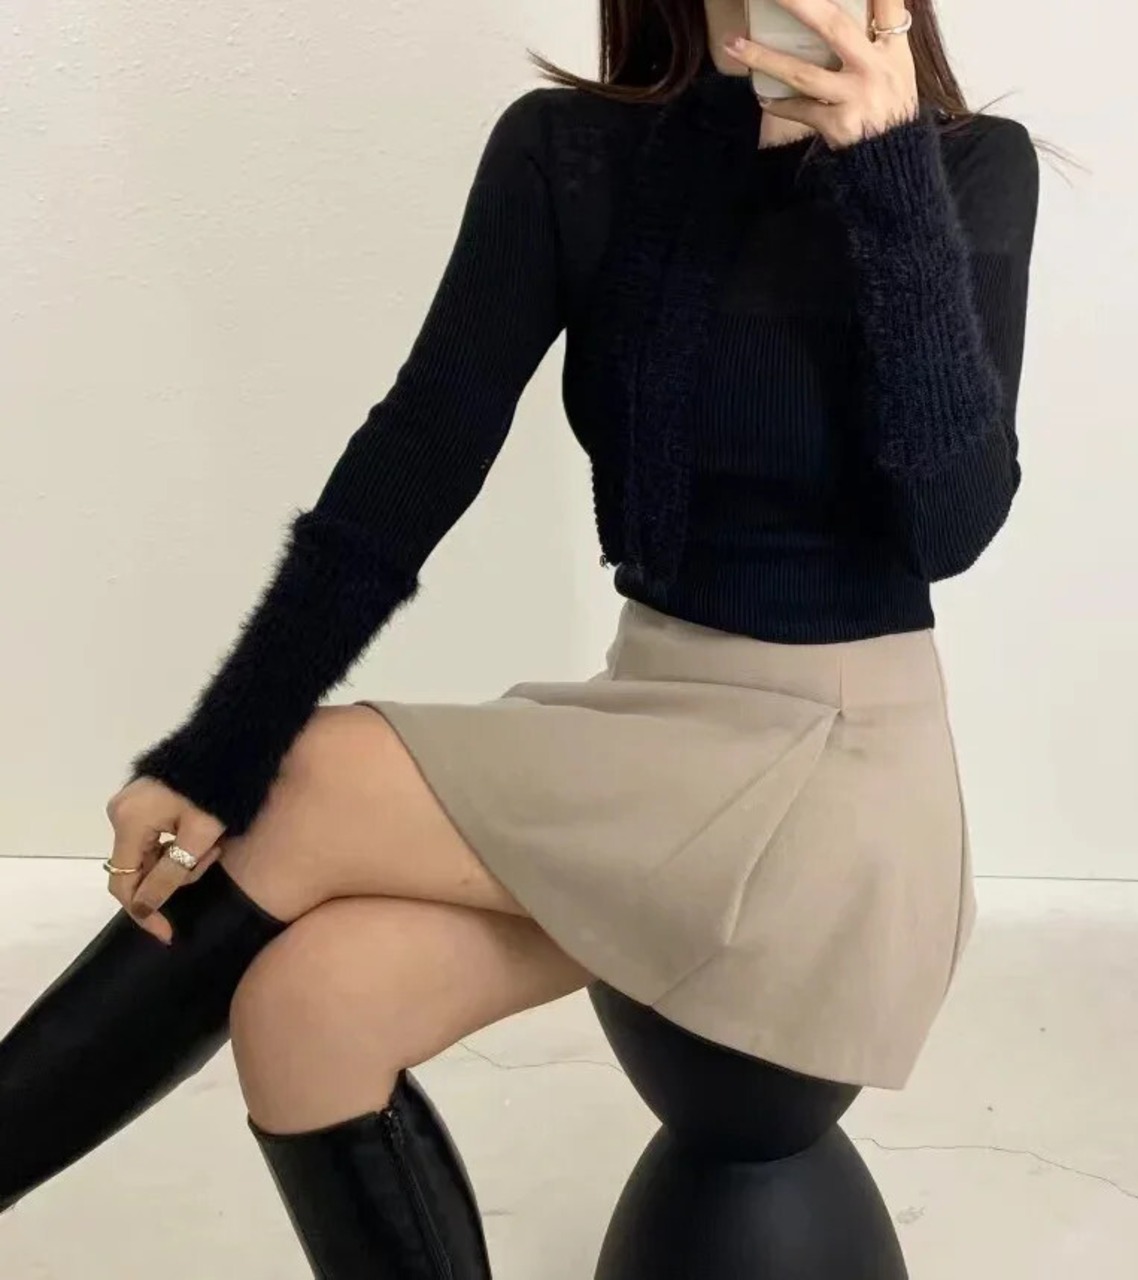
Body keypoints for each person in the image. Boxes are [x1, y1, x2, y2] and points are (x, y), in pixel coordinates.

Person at [0, 0, 1039, 1274]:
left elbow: (951, 523)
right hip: (652, 717)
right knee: (308, 1010)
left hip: (837, 764)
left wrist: (885, 174)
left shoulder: (966, 167)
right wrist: (216, 741)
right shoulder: (570, 153)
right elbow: (420, 450)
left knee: (302, 778)